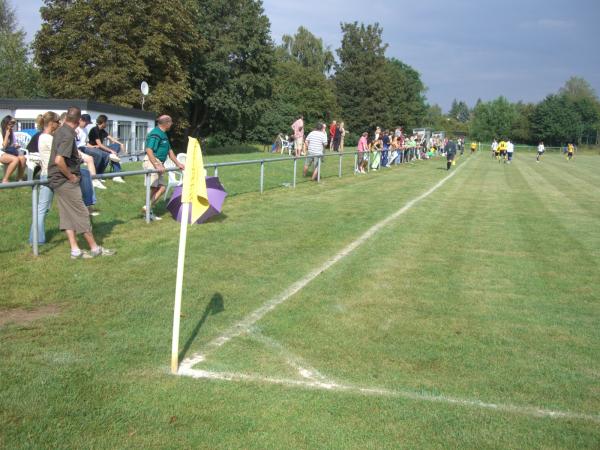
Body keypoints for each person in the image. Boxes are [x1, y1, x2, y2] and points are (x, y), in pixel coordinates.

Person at [46, 106, 114, 259]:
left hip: (57, 180)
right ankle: (95, 248)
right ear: (78, 121)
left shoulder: (60, 131)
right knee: (82, 213)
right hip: (65, 181)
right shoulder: (68, 135)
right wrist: (70, 176)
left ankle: (75, 250)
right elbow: (59, 160)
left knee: (67, 215)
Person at [141, 115, 185, 220]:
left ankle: (147, 208)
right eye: (171, 122)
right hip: (152, 162)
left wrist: (178, 163)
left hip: (159, 162)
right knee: (154, 187)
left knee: (162, 187)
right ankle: (147, 212)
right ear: (166, 123)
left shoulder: (163, 134)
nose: (172, 124)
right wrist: (156, 164)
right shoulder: (156, 133)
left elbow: (170, 151)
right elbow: (149, 150)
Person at [29, 111, 60, 244]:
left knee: (42, 208)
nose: (59, 124)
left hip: (47, 173)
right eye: (57, 122)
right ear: (51, 123)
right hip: (49, 174)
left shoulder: (44, 137)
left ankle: (35, 239)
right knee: (42, 209)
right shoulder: (48, 138)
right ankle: (36, 239)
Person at [87, 115, 125, 183]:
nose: (107, 124)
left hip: (100, 148)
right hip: (94, 149)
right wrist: (111, 150)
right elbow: (100, 145)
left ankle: (113, 156)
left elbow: (111, 138)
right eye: (106, 122)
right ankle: (117, 175)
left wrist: (121, 144)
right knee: (110, 154)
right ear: (103, 122)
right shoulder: (94, 130)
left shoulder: (102, 130)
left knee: (116, 145)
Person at [1, 115, 26, 181]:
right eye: (10, 123)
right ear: (5, 123)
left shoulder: (11, 132)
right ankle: (5, 179)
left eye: (13, 123)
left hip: (9, 152)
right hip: (1, 152)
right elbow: (3, 146)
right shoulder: (1, 132)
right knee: (15, 159)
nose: (12, 125)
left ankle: (19, 178)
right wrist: (7, 134)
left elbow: (13, 143)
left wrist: (15, 145)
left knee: (23, 158)